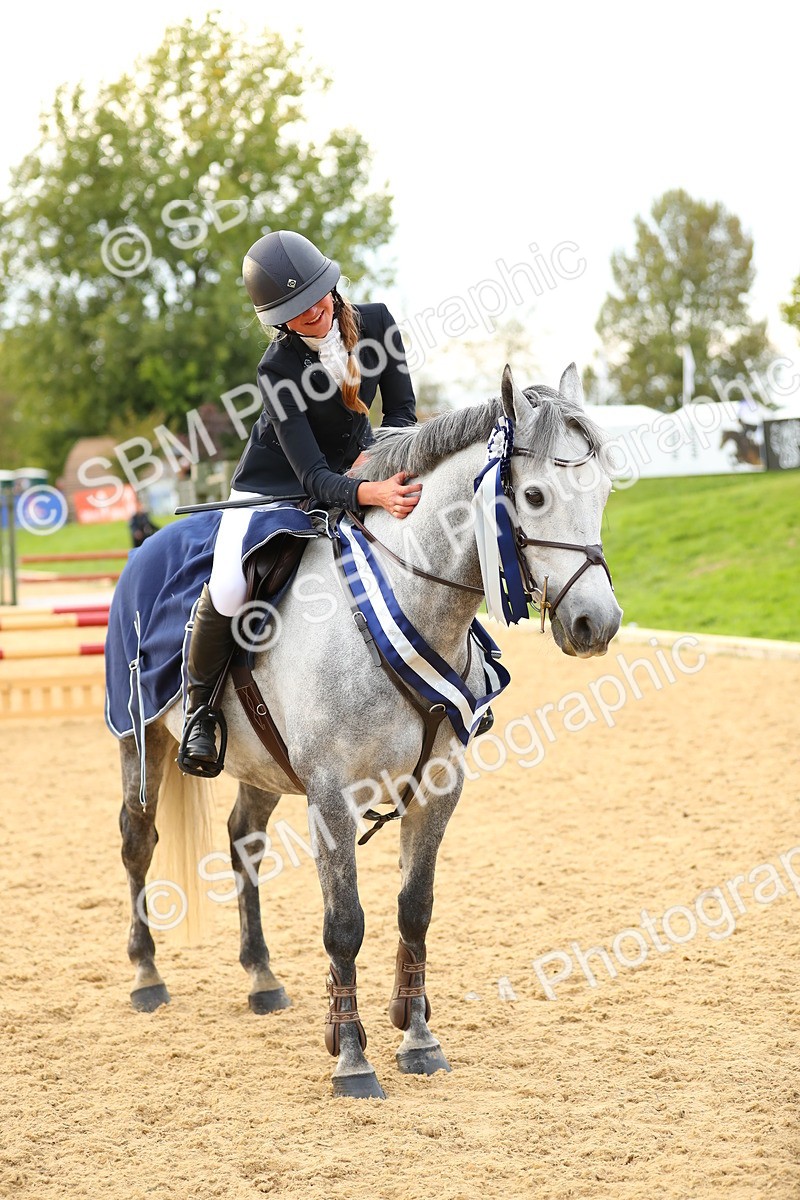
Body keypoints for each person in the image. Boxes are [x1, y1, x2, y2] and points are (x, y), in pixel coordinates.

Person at [179, 230, 422, 772]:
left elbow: (402, 415)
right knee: (229, 584)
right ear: (277, 319)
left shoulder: (378, 323)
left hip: (358, 470)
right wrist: (369, 490)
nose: (314, 313)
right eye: (298, 311)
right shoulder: (277, 369)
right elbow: (311, 476)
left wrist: (377, 461)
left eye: (319, 298)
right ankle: (201, 713)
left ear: (333, 286)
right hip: (270, 488)